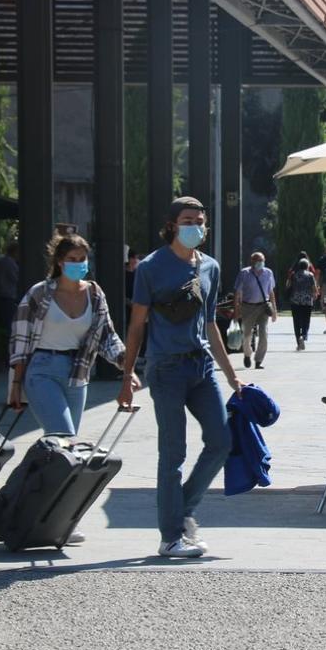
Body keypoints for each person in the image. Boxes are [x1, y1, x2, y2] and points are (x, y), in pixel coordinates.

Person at [118, 196, 245, 558]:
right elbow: (137, 324)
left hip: (201, 366)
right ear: (172, 224)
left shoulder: (210, 267)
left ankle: (183, 509)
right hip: (166, 368)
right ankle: (170, 536)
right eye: (189, 220)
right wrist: (127, 375)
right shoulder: (151, 267)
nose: (197, 227)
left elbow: (210, 326)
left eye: (201, 221)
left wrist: (233, 376)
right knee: (173, 452)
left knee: (221, 440)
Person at [8, 233, 138, 544]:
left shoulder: (94, 294)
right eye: (73, 260)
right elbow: (20, 340)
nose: (79, 266)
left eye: (83, 260)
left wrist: (126, 365)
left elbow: (107, 335)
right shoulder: (39, 294)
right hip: (41, 370)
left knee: (67, 452)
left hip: (77, 373)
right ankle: (52, 515)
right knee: (63, 440)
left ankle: (57, 515)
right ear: (58, 261)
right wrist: (15, 385)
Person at [234, 252, 277, 369]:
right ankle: (247, 354)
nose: (260, 263)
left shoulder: (268, 273)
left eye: (262, 260)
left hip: (263, 307)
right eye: (258, 260)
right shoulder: (244, 273)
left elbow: (271, 292)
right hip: (248, 307)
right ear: (252, 262)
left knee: (264, 334)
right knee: (247, 334)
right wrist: (236, 310)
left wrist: (274, 310)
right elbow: (237, 292)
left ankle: (258, 360)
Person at [287, 258, 318, 351]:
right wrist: (315, 295)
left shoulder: (294, 275)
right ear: (307, 266)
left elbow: (288, 285)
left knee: (296, 321)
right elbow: (314, 287)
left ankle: (298, 339)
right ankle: (304, 335)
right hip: (307, 301)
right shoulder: (310, 275)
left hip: (295, 300)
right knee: (306, 319)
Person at [0, 241, 20, 327]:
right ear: (15, 252)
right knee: (8, 325)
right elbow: (16, 279)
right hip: (7, 299)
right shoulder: (11, 264)